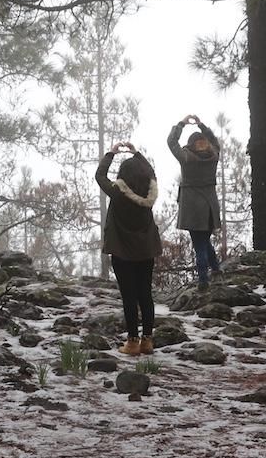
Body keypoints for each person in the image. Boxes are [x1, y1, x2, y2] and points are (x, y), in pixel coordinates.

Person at [95, 141, 162, 356]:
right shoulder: (149, 191)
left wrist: (111, 154)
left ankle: (132, 343)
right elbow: (151, 172)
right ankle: (148, 341)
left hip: (122, 253)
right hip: (146, 252)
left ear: (123, 175)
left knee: (129, 297)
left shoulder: (117, 192)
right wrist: (137, 153)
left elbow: (100, 176)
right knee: (145, 295)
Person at [167, 114, 221, 288]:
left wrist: (182, 123)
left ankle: (203, 279)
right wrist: (201, 125)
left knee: (199, 243)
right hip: (210, 206)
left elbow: (171, 142)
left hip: (192, 208)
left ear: (191, 144)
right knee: (204, 240)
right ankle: (216, 268)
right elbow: (214, 140)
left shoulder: (186, 157)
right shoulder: (214, 155)